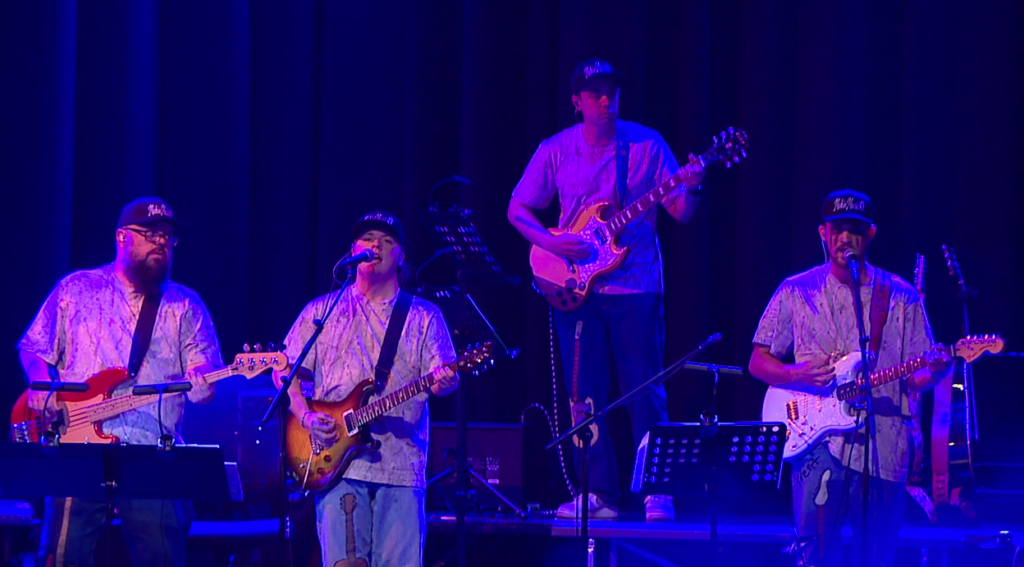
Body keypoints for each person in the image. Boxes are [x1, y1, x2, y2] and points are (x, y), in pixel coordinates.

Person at [507, 58, 705, 521]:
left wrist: (693, 186)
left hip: (637, 286)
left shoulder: (647, 145)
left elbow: (681, 213)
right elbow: (517, 209)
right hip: (577, 289)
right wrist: (551, 242)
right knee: (584, 394)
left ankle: (657, 489)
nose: (606, 100)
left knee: (645, 389)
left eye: (611, 91)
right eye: (595, 93)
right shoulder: (556, 149)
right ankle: (597, 492)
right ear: (577, 102)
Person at [748, 189, 953, 566]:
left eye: (855, 230)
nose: (845, 238)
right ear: (823, 233)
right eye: (837, 229)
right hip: (816, 445)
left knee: (877, 558)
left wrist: (938, 369)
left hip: (884, 449)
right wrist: (795, 372)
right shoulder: (796, 290)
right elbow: (757, 362)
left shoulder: (902, 297)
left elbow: (915, 379)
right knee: (814, 556)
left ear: (870, 235)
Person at [18, 196, 222, 567]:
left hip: (153, 452)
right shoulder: (75, 289)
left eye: (167, 237)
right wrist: (39, 384)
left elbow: (204, 383)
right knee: (62, 555)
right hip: (76, 446)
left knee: (162, 557)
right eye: (151, 234)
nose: (161, 242)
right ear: (122, 237)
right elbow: (34, 349)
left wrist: (204, 381)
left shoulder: (185, 304)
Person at [276, 211, 457, 567]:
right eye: (368, 239)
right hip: (335, 464)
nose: (376, 245)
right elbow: (285, 371)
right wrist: (306, 416)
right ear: (353, 251)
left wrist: (445, 381)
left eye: (387, 241)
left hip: (401, 469)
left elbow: (442, 382)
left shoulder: (424, 316)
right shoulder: (323, 311)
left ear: (401, 257)